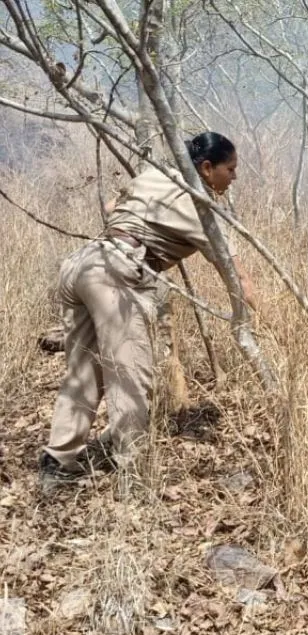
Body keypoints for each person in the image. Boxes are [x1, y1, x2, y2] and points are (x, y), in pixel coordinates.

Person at [39, 131, 254, 482]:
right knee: (130, 376)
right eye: (230, 169)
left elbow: (112, 208)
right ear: (206, 167)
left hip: (83, 264)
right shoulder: (198, 205)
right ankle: (133, 473)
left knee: (83, 372)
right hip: (116, 276)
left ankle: (59, 462)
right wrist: (272, 321)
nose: (234, 177)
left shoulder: (156, 174)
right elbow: (236, 276)